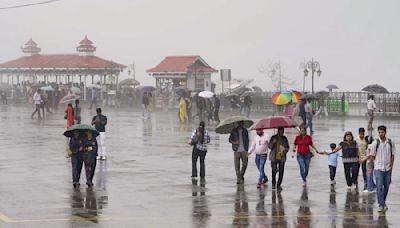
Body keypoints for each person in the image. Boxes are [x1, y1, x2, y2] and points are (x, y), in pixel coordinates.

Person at [370, 125, 395, 212]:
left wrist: (391, 166)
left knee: (386, 187)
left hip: (388, 169)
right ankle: (381, 205)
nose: (380, 134)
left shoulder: (390, 142)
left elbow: (392, 155)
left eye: (382, 132)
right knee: (379, 187)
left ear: (385, 132)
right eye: (379, 132)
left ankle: (383, 202)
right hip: (378, 168)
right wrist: (370, 168)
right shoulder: (375, 143)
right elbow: (372, 156)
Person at [268, 127, 289, 191]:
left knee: (281, 171)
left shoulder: (284, 138)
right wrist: (273, 142)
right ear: (278, 131)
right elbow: (269, 146)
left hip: (282, 157)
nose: (282, 133)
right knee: (274, 170)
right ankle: (273, 183)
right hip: (274, 157)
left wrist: (284, 152)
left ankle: (279, 185)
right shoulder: (273, 137)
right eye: (281, 131)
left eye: (283, 131)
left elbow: (287, 147)